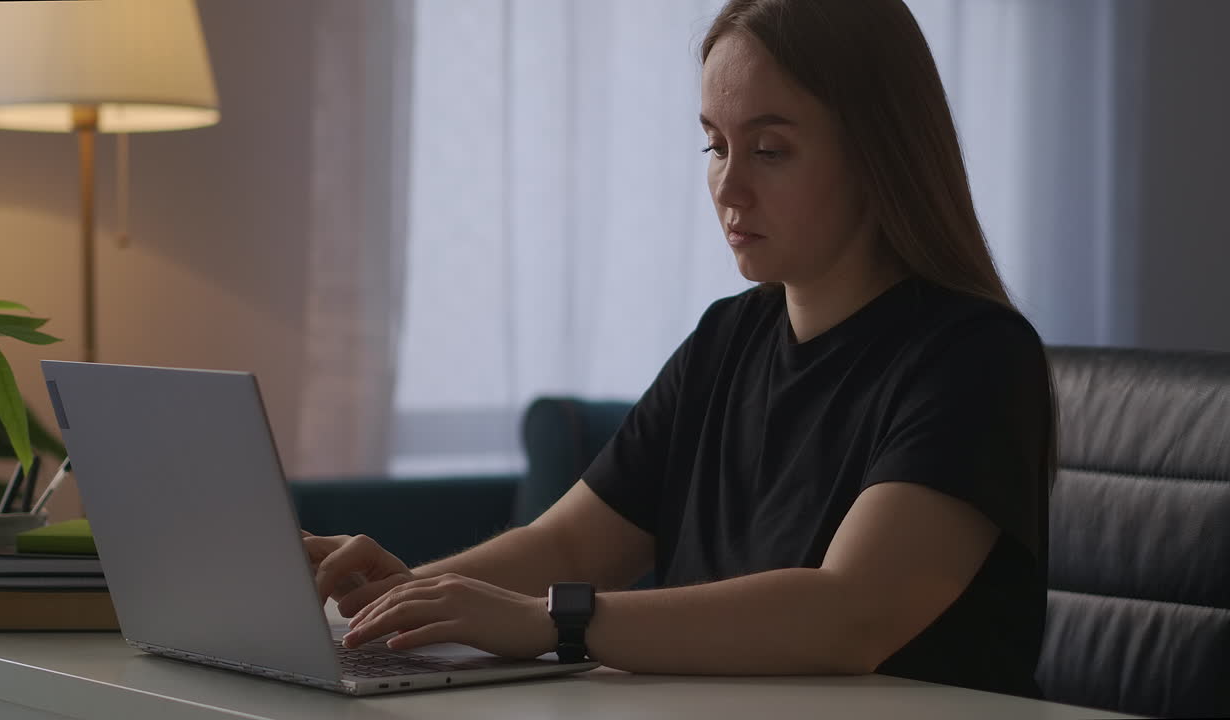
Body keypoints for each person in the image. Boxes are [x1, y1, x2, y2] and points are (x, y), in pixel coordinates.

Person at [304, 0, 1054, 699]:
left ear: (877, 153)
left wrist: (553, 621)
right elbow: (566, 547)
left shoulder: (975, 359)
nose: (728, 187)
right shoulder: (726, 340)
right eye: (715, 144)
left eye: (769, 149)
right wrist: (402, 601)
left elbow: (850, 613)